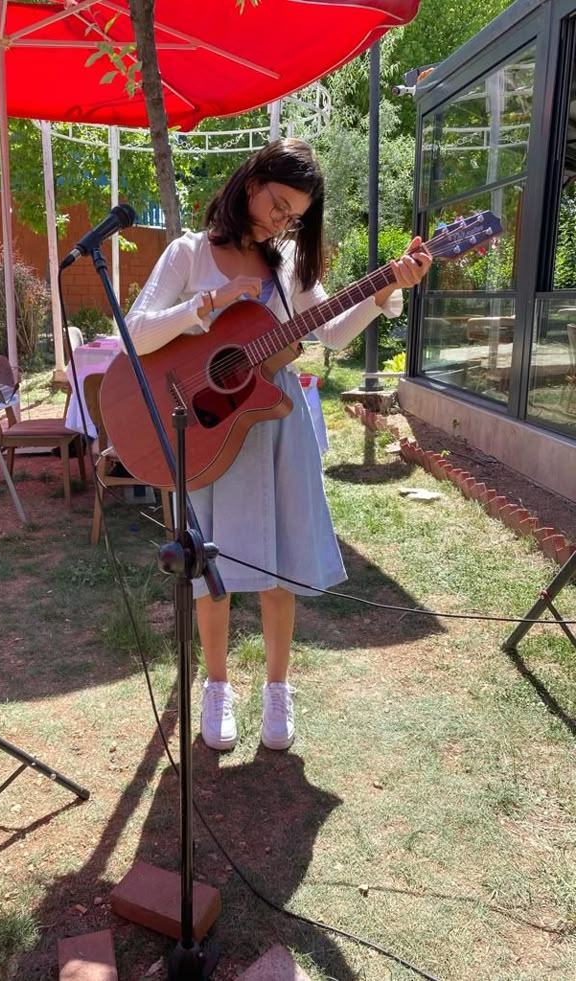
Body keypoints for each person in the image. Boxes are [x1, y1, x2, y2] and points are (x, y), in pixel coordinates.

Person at [125, 138, 431, 752]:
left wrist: (383, 291)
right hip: (209, 428)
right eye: (279, 203)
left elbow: (335, 333)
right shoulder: (189, 253)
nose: (281, 220)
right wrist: (206, 305)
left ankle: (276, 689)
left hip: (277, 423)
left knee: (276, 566)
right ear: (252, 179)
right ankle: (216, 687)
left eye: (293, 215)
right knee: (210, 567)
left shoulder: (287, 262)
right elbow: (136, 331)